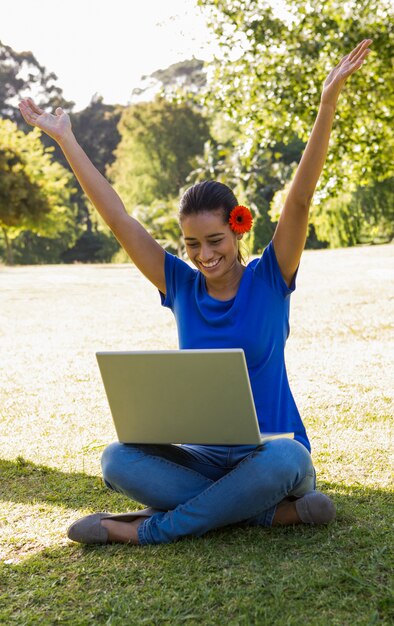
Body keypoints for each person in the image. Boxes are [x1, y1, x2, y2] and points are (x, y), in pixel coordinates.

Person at [19, 39, 372, 546]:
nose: (204, 255)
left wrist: (327, 102)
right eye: (192, 245)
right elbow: (119, 220)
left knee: (289, 457)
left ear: (237, 231)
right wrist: (66, 140)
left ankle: (150, 529)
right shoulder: (180, 286)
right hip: (202, 459)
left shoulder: (271, 277)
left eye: (214, 241)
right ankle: (264, 515)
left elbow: (299, 200)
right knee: (117, 457)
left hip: (271, 457)